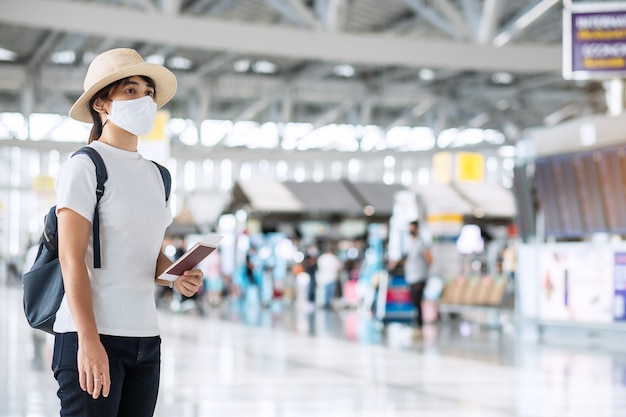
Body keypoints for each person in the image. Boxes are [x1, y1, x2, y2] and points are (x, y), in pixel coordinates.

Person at [53, 48, 203, 417]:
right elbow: (70, 258)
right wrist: (88, 340)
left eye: (149, 93)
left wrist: (175, 277)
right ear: (102, 103)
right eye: (131, 91)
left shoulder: (158, 175)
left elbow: (145, 253)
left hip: (145, 339)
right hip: (91, 333)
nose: (145, 100)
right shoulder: (85, 166)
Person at [390, 220, 433, 339]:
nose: (410, 231)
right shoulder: (409, 242)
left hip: (419, 276)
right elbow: (406, 257)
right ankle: (416, 323)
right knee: (414, 301)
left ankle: (419, 325)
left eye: (412, 228)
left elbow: (430, 258)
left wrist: (424, 271)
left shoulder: (421, 243)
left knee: (417, 301)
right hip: (411, 276)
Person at [316, 242, 343, 309]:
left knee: (325, 292)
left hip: (324, 277)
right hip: (331, 277)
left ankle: (326, 304)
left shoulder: (321, 258)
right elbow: (338, 267)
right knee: (329, 292)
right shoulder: (334, 258)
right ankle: (327, 304)